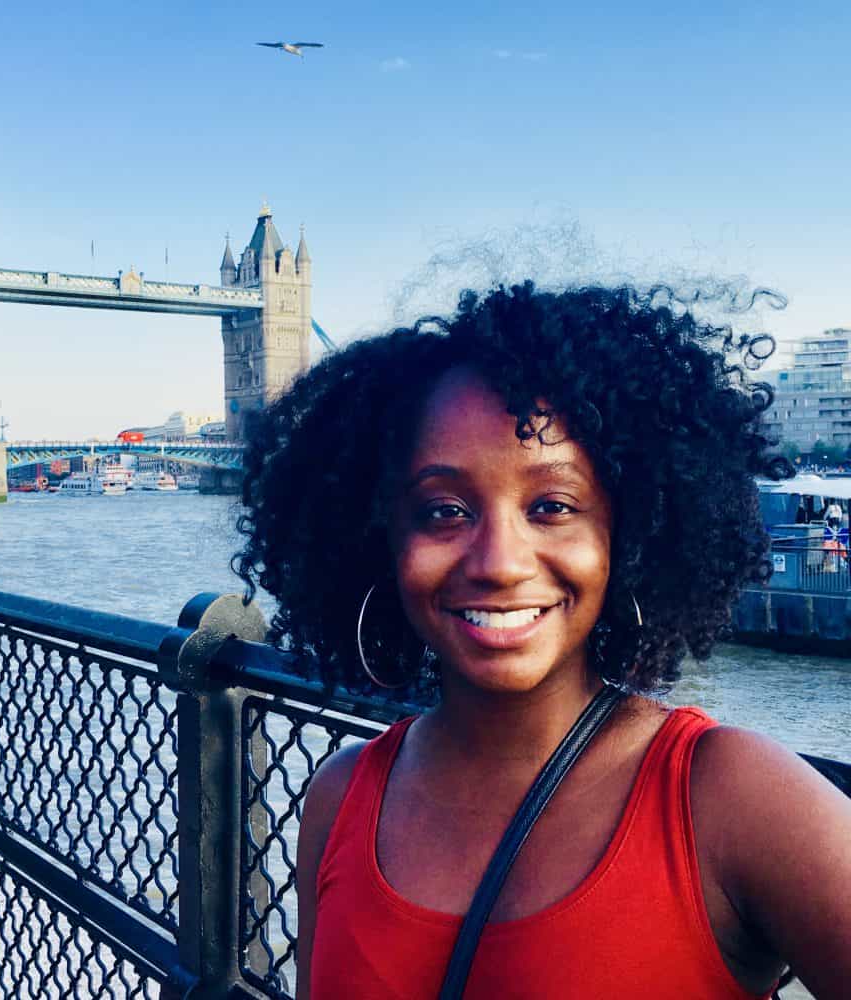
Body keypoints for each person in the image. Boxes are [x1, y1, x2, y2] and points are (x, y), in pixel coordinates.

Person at [233, 283, 851, 999]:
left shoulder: (731, 798)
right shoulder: (339, 800)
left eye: (552, 506)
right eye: (444, 510)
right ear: (378, 539)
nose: (499, 561)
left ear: (629, 536)